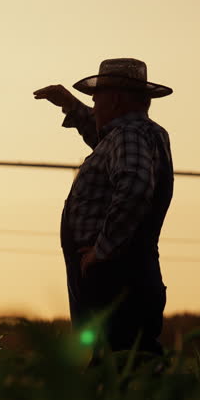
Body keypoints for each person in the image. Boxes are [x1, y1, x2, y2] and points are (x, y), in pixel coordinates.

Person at [34, 58, 174, 355]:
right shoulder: (131, 134)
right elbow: (104, 139)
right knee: (123, 360)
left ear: (118, 100)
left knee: (118, 363)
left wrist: (102, 249)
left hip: (115, 277)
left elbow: (135, 187)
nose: (93, 106)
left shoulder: (129, 135)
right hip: (121, 274)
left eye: (96, 99)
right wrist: (72, 107)